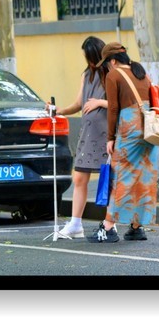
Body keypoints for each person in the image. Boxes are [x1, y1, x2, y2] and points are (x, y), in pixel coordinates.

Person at [91, 41, 157, 243]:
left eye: (106, 63)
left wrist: (110, 137)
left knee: (122, 176)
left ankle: (108, 227)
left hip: (129, 128)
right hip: (149, 127)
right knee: (142, 176)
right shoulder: (141, 73)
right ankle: (137, 227)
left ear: (112, 61)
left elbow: (113, 109)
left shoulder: (114, 75)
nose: (107, 68)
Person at [49, 36, 109, 239]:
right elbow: (78, 103)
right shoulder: (87, 74)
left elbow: (121, 103)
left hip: (107, 134)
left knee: (107, 178)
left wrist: (100, 102)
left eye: (90, 57)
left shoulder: (112, 74)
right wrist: (59, 111)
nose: (89, 62)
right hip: (88, 133)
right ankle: (76, 224)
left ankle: (110, 224)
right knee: (80, 177)